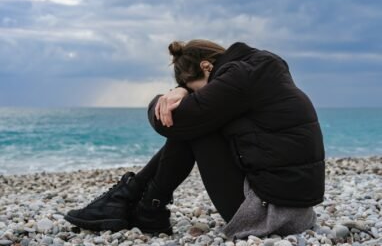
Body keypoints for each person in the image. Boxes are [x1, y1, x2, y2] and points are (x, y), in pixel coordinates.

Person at [64, 40, 325, 240]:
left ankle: (138, 205)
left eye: (196, 90)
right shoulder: (255, 68)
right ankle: (141, 206)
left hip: (272, 214)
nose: (199, 95)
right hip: (295, 209)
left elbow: (176, 123)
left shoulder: (240, 78)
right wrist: (183, 90)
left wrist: (162, 101)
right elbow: (204, 108)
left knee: (195, 128)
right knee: (199, 122)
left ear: (206, 66)